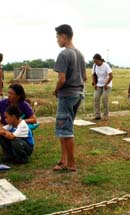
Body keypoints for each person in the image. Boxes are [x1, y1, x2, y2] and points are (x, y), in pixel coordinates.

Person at [52, 24, 86, 172]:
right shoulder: (79, 54)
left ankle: (70, 163)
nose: (57, 40)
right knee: (64, 127)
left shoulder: (64, 54)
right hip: (78, 94)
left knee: (65, 130)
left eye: (58, 37)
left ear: (64, 37)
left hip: (67, 95)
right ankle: (63, 159)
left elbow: (61, 79)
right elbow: (84, 77)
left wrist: (56, 90)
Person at [91, 53, 113, 121]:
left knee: (104, 98)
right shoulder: (94, 65)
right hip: (99, 84)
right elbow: (93, 75)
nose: (95, 63)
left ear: (100, 60)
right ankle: (97, 115)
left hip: (107, 84)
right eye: (94, 61)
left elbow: (111, 76)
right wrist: (95, 84)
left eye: (96, 61)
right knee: (96, 98)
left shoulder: (105, 65)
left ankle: (106, 115)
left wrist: (106, 84)